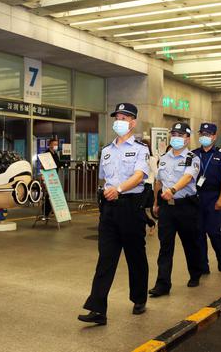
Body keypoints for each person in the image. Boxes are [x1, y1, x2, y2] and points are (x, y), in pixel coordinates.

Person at [78, 102, 150, 325]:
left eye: (125, 117)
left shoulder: (141, 149)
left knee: (135, 256)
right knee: (106, 259)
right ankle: (98, 309)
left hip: (130, 207)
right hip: (109, 209)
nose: (120, 121)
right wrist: (110, 192)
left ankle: (139, 298)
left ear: (133, 122)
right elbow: (105, 178)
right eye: (117, 117)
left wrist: (118, 189)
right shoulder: (107, 151)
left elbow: (139, 176)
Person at [149, 122, 203, 297]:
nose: (176, 138)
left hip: (186, 206)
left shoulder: (192, 158)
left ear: (187, 139)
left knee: (190, 243)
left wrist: (172, 191)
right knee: (165, 246)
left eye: (180, 135)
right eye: (174, 135)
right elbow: (159, 181)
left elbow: (187, 178)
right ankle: (163, 284)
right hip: (167, 209)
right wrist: (156, 202)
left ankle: (195, 273)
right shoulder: (164, 158)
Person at [193, 123, 221, 274]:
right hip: (197, 197)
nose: (204, 137)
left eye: (208, 134)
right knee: (199, 232)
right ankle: (203, 265)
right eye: (202, 133)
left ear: (214, 137)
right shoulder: (194, 154)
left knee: (213, 231)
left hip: (213, 196)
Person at [42, 138, 62, 218]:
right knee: (48, 195)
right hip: (48, 176)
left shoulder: (55, 153)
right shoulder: (47, 153)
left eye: (56, 144)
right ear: (50, 144)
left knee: (52, 194)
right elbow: (45, 165)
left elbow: (57, 163)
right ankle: (45, 212)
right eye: (54, 144)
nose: (55, 146)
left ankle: (50, 210)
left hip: (54, 175)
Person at [141, 138, 157, 230]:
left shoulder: (152, 159)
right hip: (137, 186)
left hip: (147, 186)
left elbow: (156, 172)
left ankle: (150, 223)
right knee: (138, 208)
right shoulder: (138, 159)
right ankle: (149, 224)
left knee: (140, 208)